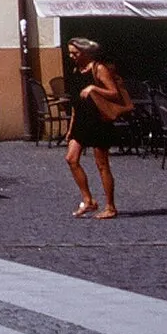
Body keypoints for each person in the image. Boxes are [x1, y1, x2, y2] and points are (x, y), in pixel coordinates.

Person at [64, 37, 126, 219]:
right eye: (70, 53)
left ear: (85, 52)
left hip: (99, 121)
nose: (72, 56)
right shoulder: (76, 70)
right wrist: (70, 127)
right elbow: (76, 103)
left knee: (102, 165)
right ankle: (88, 200)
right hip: (81, 121)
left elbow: (114, 93)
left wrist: (93, 88)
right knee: (71, 159)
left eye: (75, 53)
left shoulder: (98, 68)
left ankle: (110, 206)